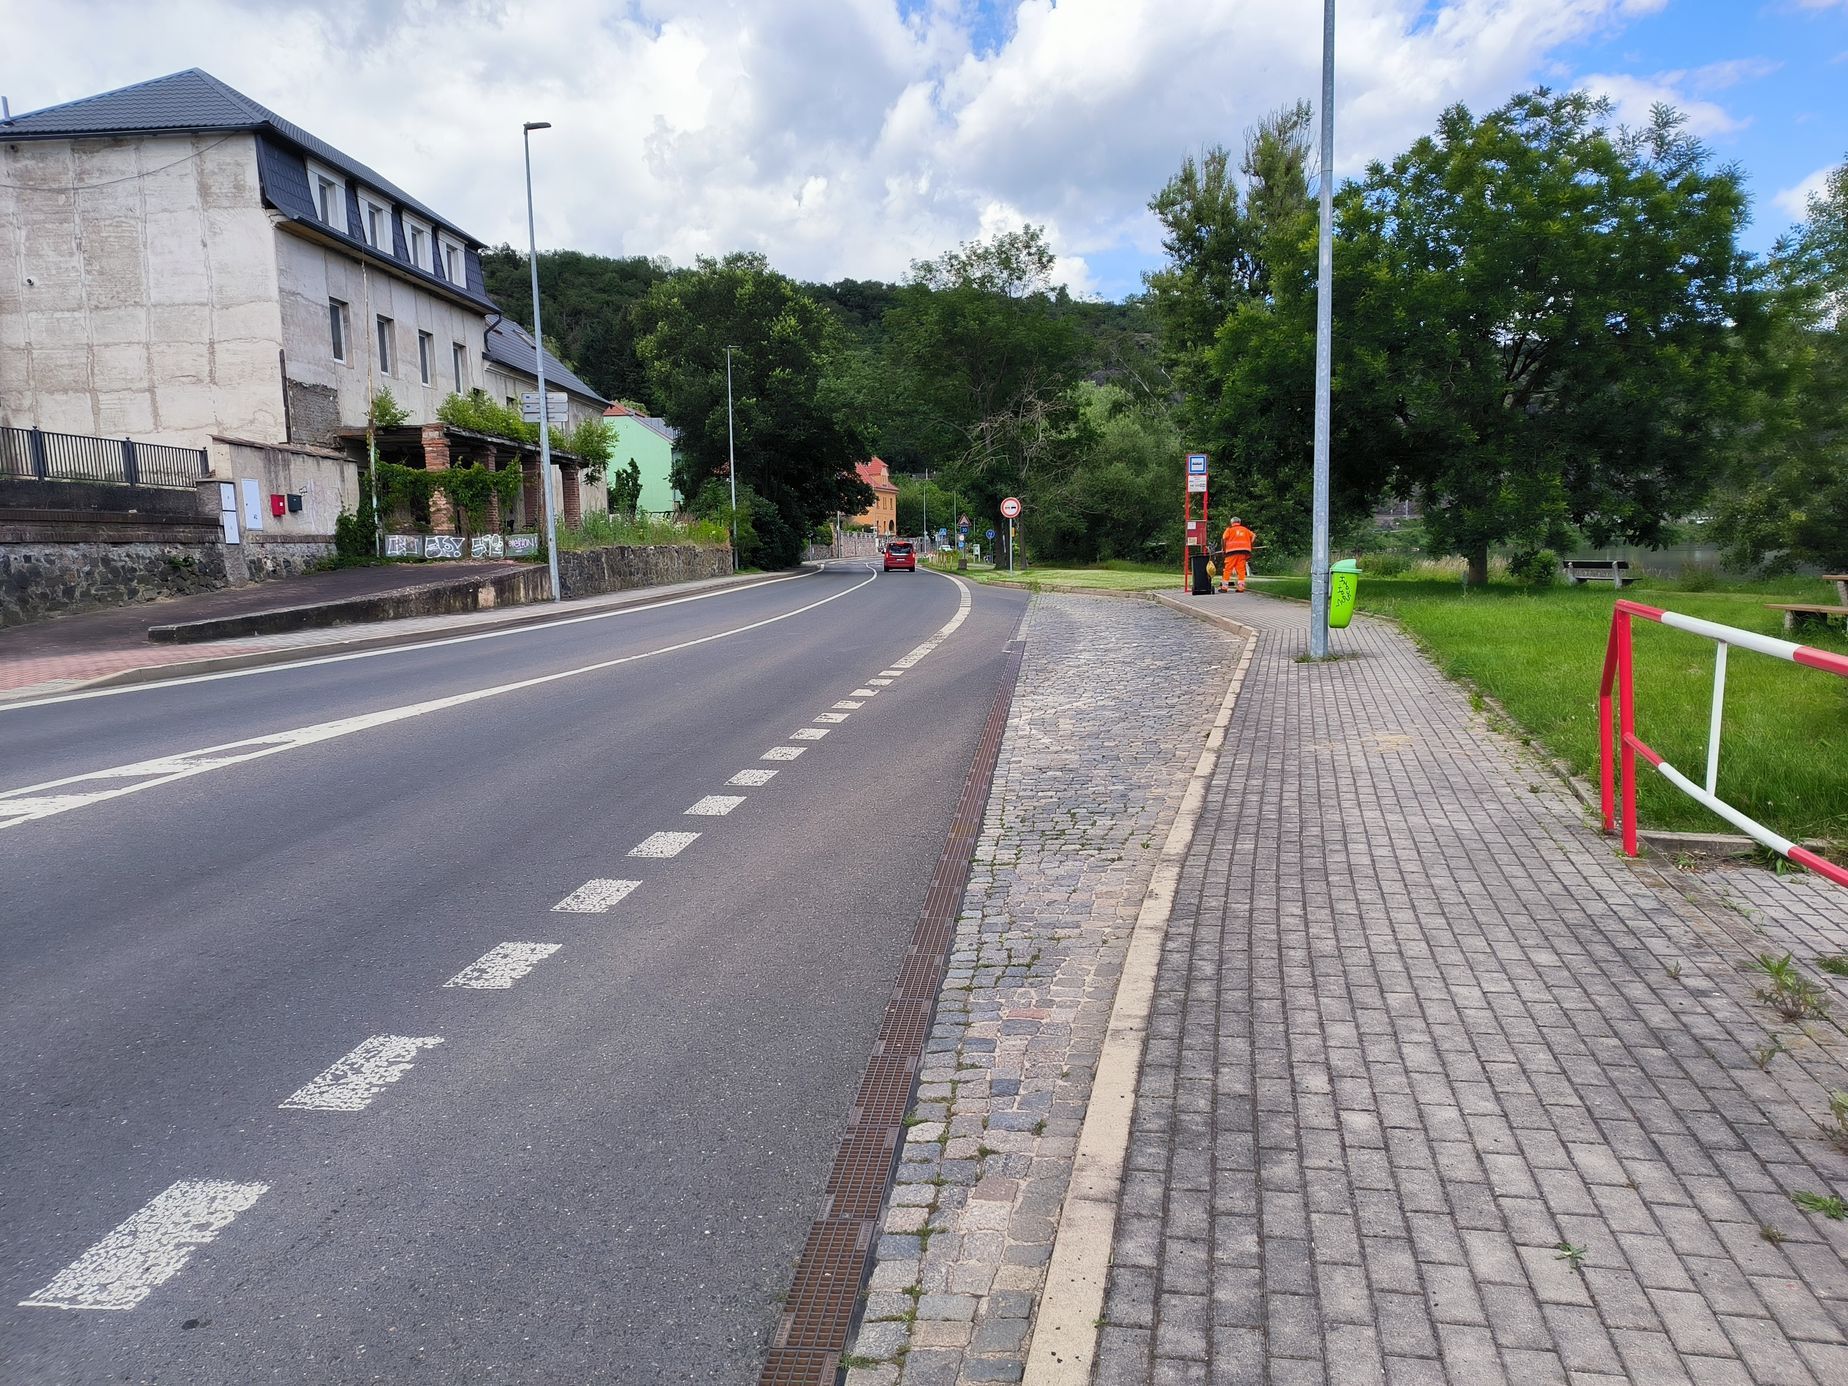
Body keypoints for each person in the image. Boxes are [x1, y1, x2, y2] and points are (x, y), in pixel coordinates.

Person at [1220, 516, 1255, 592]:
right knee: (1241, 570)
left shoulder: (1229, 530)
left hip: (1231, 552)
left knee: (1228, 569)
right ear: (1239, 522)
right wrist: (1250, 545)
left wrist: (1224, 549)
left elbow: (1223, 538)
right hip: (1243, 552)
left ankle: (1224, 587)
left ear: (1232, 523)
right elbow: (1254, 536)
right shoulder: (1245, 530)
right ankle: (1241, 587)